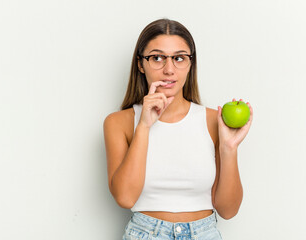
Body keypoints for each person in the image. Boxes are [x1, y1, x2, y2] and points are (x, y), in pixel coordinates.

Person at [103, 18, 253, 240]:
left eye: (179, 58)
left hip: (205, 233)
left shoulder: (214, 120)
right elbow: (125, 198)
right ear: (140, 64)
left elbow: (228, 210)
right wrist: (144, 125)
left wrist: (229, 148)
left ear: (190, 64)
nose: (169, 70)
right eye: (157, 58)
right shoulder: (119, 122)